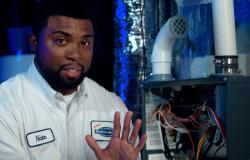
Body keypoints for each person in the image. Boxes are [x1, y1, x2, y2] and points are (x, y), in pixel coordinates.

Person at [0, 0, 147, 159]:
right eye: (61, 41)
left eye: (84, 43)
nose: (76, 55)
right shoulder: (6, 105)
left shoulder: (113, 107)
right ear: (34, 43)